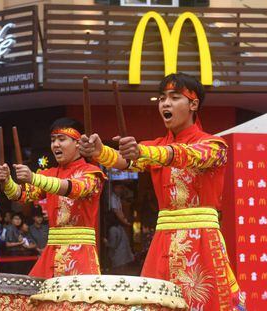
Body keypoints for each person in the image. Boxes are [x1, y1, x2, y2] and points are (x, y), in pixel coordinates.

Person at [79, 73, 245, 310]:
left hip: (201, 241)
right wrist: (98, 151)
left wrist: (143, 153)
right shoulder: (153, 146)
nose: (165, 103)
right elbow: (122, 160)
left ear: (193, 104)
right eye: (161, 98)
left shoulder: (214, 145)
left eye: (174, 97)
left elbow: (185, 154)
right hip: (163, 242)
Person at [0, 117, 106, 278]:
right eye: (53, 140)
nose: (55, 145)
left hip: (80, 253)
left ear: (78, 143)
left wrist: (33, 178)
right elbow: (21, 195)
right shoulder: (49, 173)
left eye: (62, 139)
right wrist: (6, 182)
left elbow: (74, 188)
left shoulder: (92, 173)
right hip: (51, 252)